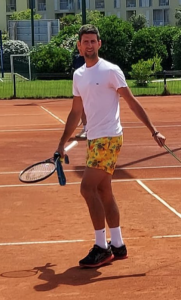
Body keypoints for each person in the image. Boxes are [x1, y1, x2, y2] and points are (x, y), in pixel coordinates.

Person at [56, 24, 166, 268]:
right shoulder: (79, 75)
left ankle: (101, 247)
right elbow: (76, 112)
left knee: (87, 188)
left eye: (93, 41)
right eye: (85, 41)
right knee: (104, 190)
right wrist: (61, 143)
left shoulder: (110, 71)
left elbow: (131, 101)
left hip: (110, 138)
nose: (89, 45)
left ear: (100, 44)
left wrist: (153, 129)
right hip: (95, 138)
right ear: (79, 45)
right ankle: (117, 244)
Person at [71, 52, 87, 139]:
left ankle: (88, 129)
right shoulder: (77, 58)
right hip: (80, 85)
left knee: (86, 108)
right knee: (81, 108)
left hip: (88, 86)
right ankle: (85, 128)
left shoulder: (89, 58)